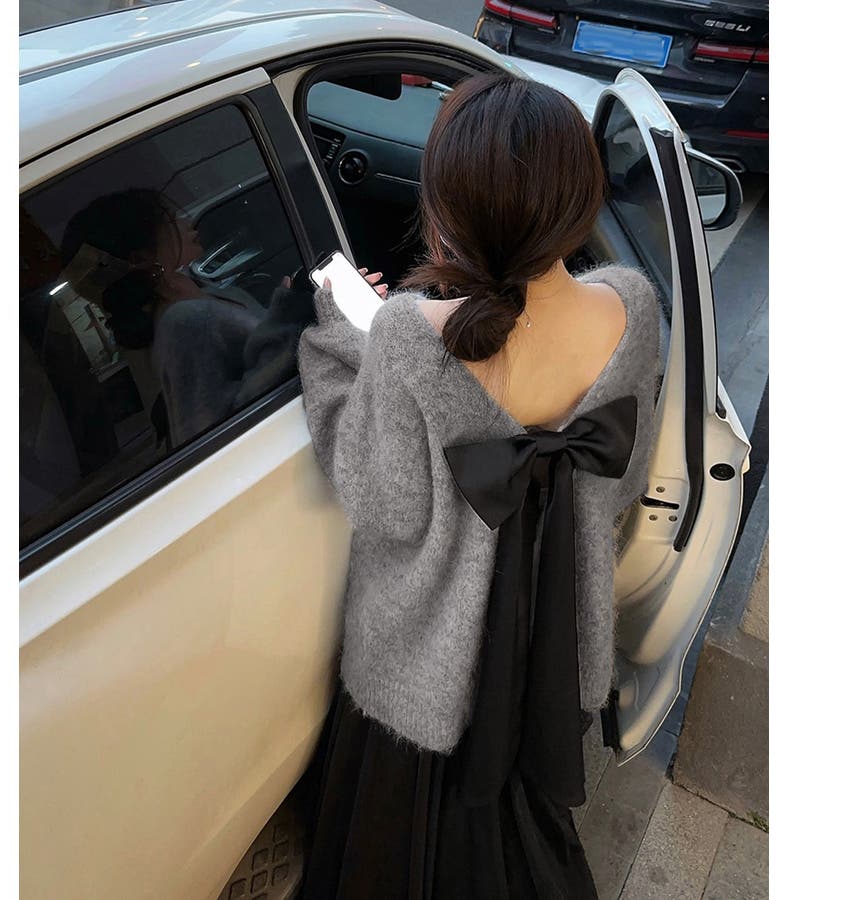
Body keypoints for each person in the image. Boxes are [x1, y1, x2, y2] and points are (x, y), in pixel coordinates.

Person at [296, 72, 662, 899]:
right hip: (553, 647)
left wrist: (337, 346)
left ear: (445, 206)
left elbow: (385, 506)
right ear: (579, 200)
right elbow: (624, 479)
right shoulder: (633, 308)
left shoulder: (405, 334)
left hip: (425, 668)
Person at [60, 188, 308, 449]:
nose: (186, 221)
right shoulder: (184, 323)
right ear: (141, 258)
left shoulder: (188, 294)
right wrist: (289, 312)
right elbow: (219, 433)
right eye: (171, 219)